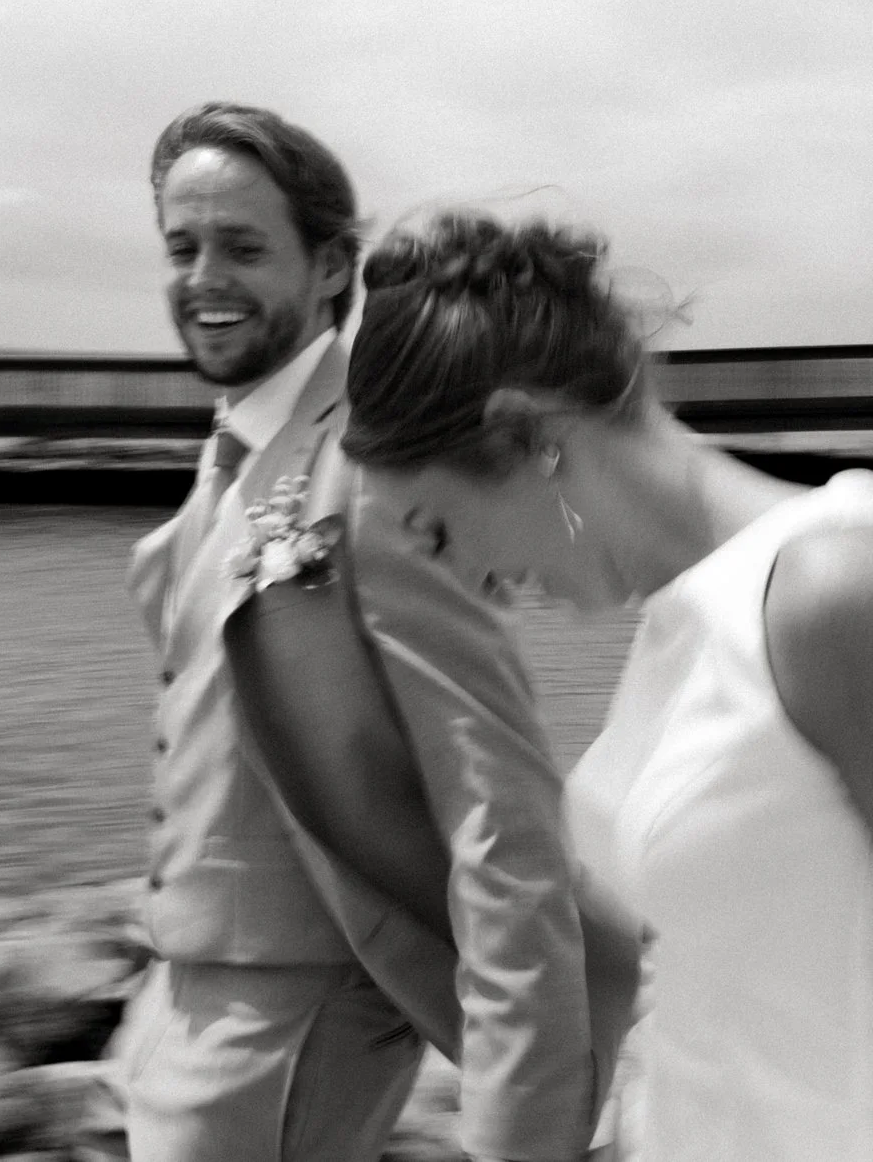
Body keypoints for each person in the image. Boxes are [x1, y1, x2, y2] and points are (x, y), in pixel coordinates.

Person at [338, 209, 873, 1162]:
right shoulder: (687, 627)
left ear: (527, 436)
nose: (461, 576)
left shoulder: (839, 596)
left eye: (437, 528)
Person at [107, 105, 610, 1162]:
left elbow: (498, 804)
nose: (204, 277)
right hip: (178, 1003)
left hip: (296, 1025)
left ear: (333, 265)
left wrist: (528, 1117)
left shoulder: (378, 466)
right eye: (182, 247)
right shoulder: (239, 447)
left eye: (243, 248)